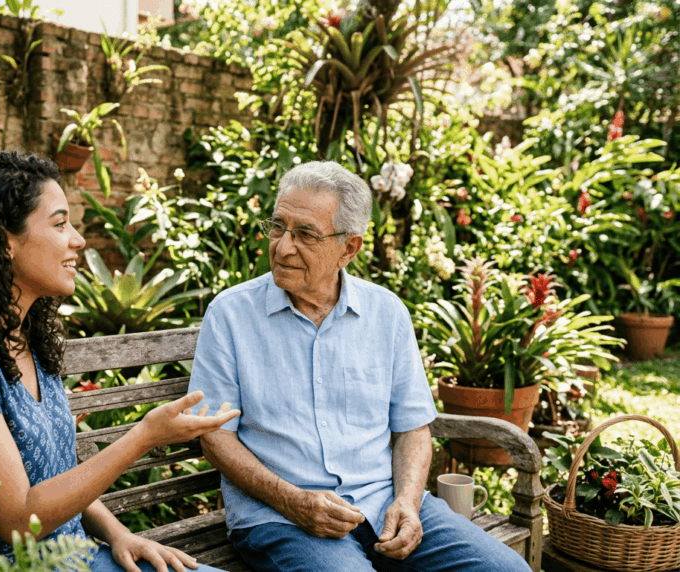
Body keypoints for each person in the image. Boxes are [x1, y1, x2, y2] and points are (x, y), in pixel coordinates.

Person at [0, 151, 239, 572]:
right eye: (59, 223)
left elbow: (56, 474)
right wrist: (144, 436)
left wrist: (118, 533)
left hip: (72, 559)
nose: (78, 240)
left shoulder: (25, 337)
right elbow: (16, 520)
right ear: (2, 241)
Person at [186, 160, 532, 572]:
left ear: (349, 248)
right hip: (281, 516)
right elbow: (214, 438)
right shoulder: (230, 315)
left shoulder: (386, 313)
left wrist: (406, 502)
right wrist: (293, 501)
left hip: (382, 501)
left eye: (305, 234)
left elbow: (412, 429)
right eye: (277, 227)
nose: (281, 247)